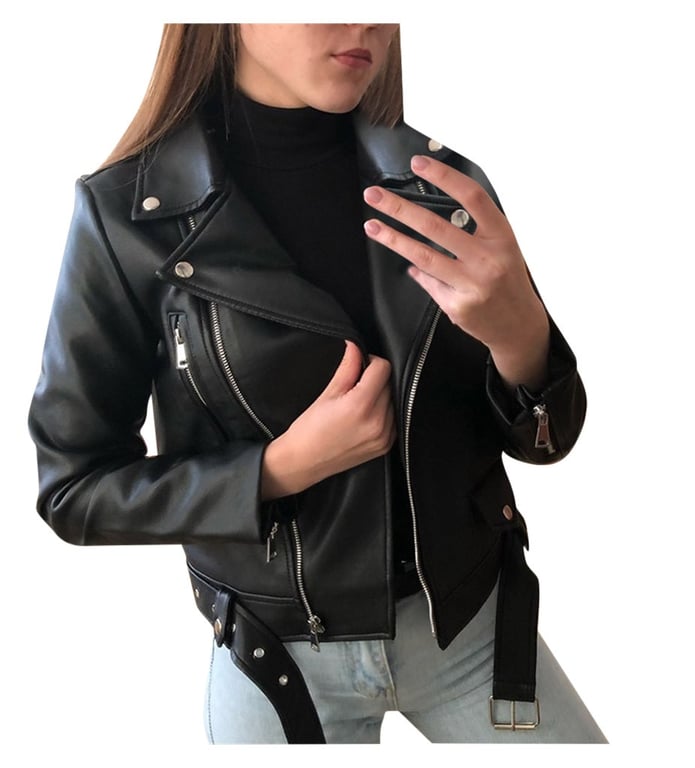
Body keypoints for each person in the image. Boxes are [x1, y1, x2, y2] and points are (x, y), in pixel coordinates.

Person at [28, 23, 606, 744]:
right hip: (278, 661)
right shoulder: (128, 216)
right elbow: (74, 490)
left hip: (473, 628)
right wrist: (277, 470)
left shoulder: (441, 187)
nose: (365, 20)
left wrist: (522, 340)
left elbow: (549, 441)